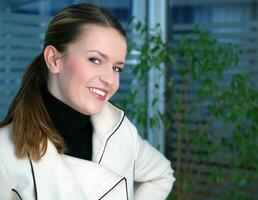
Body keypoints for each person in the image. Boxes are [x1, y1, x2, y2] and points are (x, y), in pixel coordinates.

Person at [0, 3, 175, 200]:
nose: (110, 80)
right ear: (54, 60)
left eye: (117, 68)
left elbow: (162, 175)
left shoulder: (121, 130)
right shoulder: (4, 153)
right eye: (95, 60)